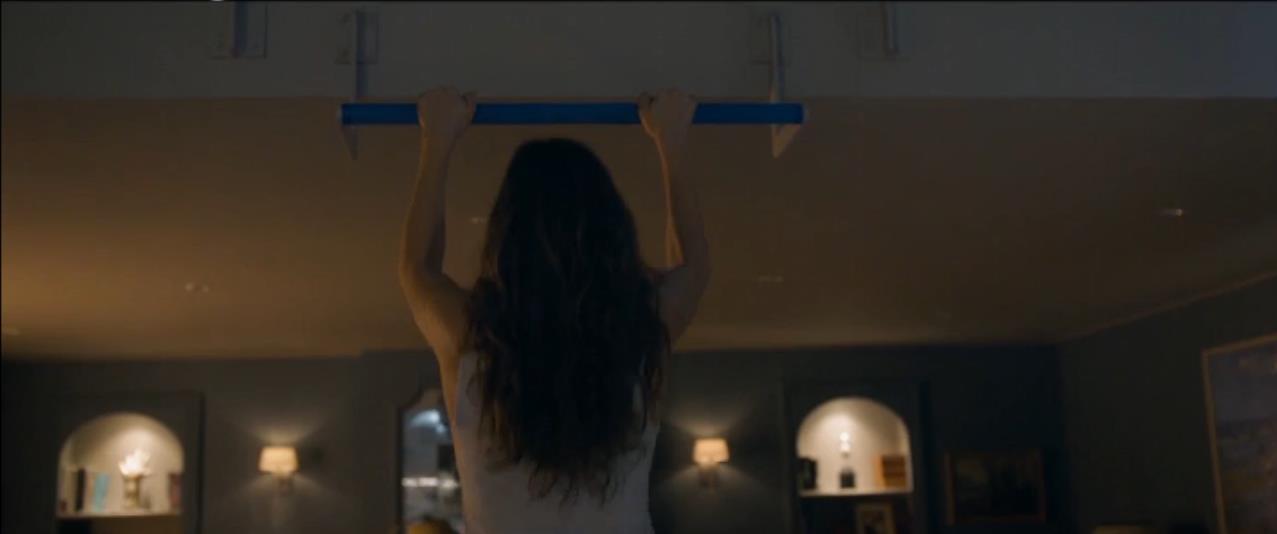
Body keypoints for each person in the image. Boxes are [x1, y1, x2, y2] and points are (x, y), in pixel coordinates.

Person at [398, 87, 711, 533]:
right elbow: (691, 269)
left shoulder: (471, 335)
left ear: (505, 236)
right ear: (611, 234)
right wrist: (671, 140)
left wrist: (439, 139)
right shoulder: (638, 331)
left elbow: (418, 269)